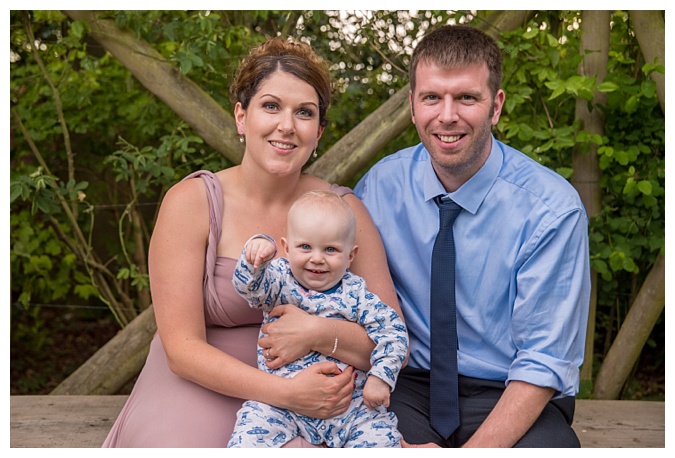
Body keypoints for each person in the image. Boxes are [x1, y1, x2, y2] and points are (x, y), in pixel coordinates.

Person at [102, 37, 402, 447]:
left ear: (319, 132)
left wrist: (316, 334)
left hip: (318, 402)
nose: (287, 126)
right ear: (242, 116)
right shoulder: (191, 203)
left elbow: (388, 336)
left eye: (305, 113)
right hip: (199, 387)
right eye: (271, 106)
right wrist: (285, 392)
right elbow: (181, 348)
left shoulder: (344, 211)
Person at [354, 25, 591, 448]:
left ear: (495, 106)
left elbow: (542, 361)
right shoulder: (378, 188)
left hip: (510, 390)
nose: (447, 115)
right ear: (412, 105)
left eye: (466, 97)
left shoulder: (552, 209)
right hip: (405, 385)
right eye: (432, 97)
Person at [227, 190, 408, 448]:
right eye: (305, 247)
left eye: (331, 249)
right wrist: (255, 255)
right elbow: (249, 290)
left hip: (351, 405)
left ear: (350, 256)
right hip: (281, 403)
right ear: (287, 248)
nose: (317, 258)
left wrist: (381, 377)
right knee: (250, 430)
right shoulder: (280, 280)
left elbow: (393, 332)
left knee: (382, 437)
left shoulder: (356, 294)